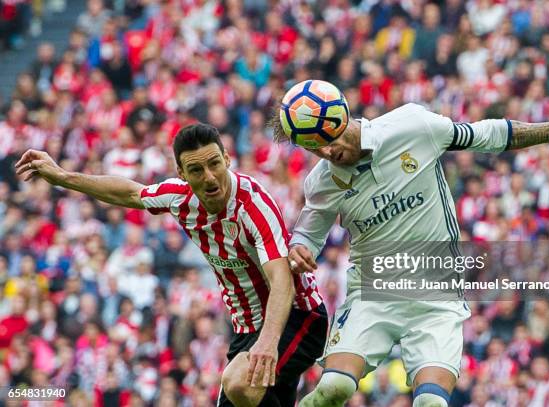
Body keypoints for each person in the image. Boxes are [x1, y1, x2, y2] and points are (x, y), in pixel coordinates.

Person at [271, 87, 549, 407]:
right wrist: (300, 248)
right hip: (371, 295)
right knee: (334, 388)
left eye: (327, 142)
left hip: (436, 297)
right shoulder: (322, 182)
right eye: (313, 149)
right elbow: (306, 235)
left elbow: (490, 134)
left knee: (430, 401)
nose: (326, 153)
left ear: (341, 117)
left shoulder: (412, 126)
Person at [16, 123, 327, 407]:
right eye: (196, 169)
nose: (208, 177)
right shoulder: (179, 198)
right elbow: (131, 193)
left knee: (239, 383)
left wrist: (269, 345)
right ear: (181, 173)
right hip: (247, 329)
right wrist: (62, 177)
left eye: (214, 164)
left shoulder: (253, 205)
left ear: (227, 160)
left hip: (297, 317)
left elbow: (282, 279)